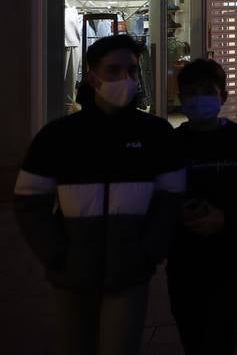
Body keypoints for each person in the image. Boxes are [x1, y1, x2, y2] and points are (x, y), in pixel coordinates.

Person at [15, 35, 186, 355]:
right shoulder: (60, 136)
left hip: (129, 272)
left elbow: (171, 196)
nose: (126, 78)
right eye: (114, 70)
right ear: (92, 76)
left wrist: (149, 250)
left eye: (133, 71)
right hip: (73, 274)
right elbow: (28, 198)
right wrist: (55, 253)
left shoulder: (156, 134)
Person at [169, 58, 237, 355]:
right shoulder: (170, 145)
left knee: (222, 333)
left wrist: (229, 220)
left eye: (207, 91)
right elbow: (154, 198)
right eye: (190, 93)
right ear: (181, 99)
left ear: (223, 96)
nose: (199, 99)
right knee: (191, 333)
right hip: (183, 258)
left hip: (233, 256)